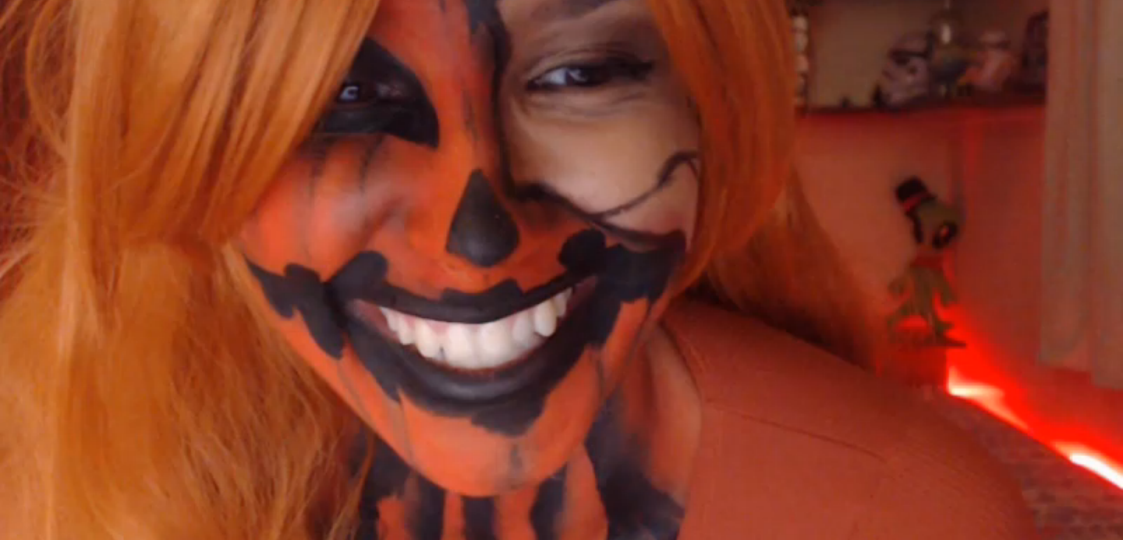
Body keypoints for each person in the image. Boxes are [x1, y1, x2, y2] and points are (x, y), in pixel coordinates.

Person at [0, 0, 1038, 538]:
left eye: (581, 73)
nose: (477, 236)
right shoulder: (44, 468)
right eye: (338, 99)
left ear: (713, 101)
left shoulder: (907, 516)